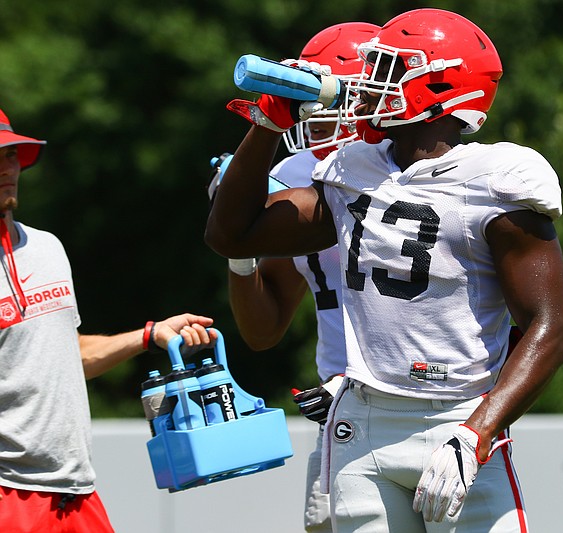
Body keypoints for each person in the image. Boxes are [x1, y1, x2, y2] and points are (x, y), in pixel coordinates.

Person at [206, 8, 563, 532]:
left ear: (440, 84)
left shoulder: (496, 180)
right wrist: (267, 125)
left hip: (458, 418)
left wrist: (480, 430)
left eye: (388, 68)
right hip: (364, 421)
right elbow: (230, 236)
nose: (369, 83)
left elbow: (550, 327)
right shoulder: (353, 171)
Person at [0, 108, 218, 533]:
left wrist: (150, 335)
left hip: (77, 494)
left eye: (11, 156)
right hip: (8, 496)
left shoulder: (47, 248)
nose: (8, 168)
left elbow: (68, 355)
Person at [208, 22, 380, 533]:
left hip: (427, 403)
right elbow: (264, 329)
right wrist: (243, 249)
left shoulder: (418, 175)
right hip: (340, 419)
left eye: (328, 101)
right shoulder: (295, 175)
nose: (317, 121)